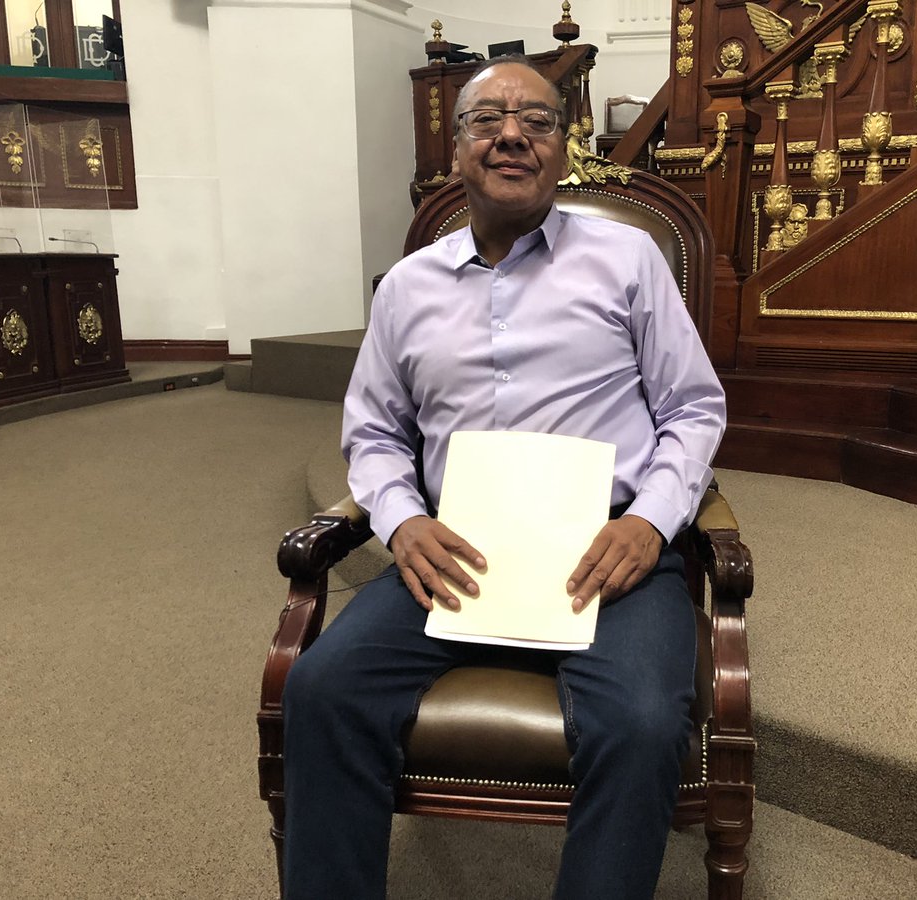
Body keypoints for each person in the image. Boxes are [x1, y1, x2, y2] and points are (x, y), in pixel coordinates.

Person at [281, 56, 726, 900]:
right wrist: (403, 520)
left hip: (609, 554)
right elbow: (374, 433)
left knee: (638, 721)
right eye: (487, 119)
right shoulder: (407, 288)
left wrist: (650, 522)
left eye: (537, 121)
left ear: (564, 148)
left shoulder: (628, 259)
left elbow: (693, 408)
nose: (512, 135)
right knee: (324, 688)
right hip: (456, 551)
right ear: (456, 150)